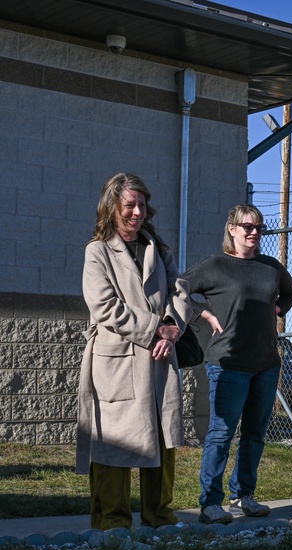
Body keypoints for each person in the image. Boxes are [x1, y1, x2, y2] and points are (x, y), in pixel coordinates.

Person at [76, 172, 192, 530]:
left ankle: (160, 515)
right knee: (115, 442)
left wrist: (172, 326)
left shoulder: (160, 249)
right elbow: (105, 306)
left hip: (158, 358)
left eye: (142, 204)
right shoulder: (97, 252)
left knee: (162, 435)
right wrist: (154, 328)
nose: (137, 212)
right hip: (117, 360)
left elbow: (180, 291)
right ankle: (113, 522)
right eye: (130, 205)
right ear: (112, 207)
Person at [183, 204, 292, 524]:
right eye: (247, 227)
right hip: (228, 363)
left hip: (266, 363)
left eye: (259, 228)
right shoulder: (215, 265)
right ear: (231, 229)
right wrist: (202, 312)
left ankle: (244, 495)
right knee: (221, 433)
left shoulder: (270, 267)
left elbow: (291, 292)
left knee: (255, 434)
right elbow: (177, 289)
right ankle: (210, 503)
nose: (253, 233)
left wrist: (276, 311)